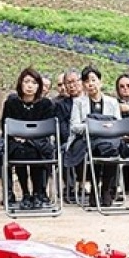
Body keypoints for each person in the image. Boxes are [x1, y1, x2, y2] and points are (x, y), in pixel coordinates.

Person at [0, 67, 57, 211]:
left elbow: (47, 128)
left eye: (34, 82)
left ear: (39, 86)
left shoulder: (46, 104)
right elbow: (5, 124)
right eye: (26, 82)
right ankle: (25, 193)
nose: (30, 85)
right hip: (17, 143)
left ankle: (38, 193)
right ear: (20, 84)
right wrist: (17, 136)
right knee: (20, 152)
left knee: (36, 151)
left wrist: (29, 138)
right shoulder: (11, 103)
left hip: (38, 143)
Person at [68, 66, 121, 207]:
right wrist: (93, 127)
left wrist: (104, 128)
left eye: (93, 80)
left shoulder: (112, 102)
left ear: (100, 82)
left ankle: (105, 189)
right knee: (94, 149)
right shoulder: (79, 102)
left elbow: (118, 124)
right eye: (86, 81)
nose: (90, 84)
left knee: (110, 149)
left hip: (108, 139)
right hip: (86, 138)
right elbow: (74, 126)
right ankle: (94, 189)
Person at [52, 69, 81, 202]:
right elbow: (63, 131)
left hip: (89, 140)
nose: (71, 85)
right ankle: (69, 188)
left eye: (74, 81)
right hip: (70, 141)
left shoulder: (88, 102)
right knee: (65, 150)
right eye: (68, 83)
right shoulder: (61, 105)